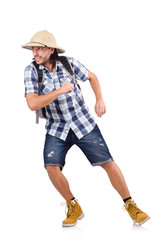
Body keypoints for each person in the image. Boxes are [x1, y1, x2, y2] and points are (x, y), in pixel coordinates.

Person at [22, 30, 150, 227]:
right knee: (51, 167)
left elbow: (92, 77)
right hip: (57, 128)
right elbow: (32, 104)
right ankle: (73, 205)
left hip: (84, 124)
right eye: (33, 49)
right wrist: (60, 90)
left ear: (51, 49)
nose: (35, 53)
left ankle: (131, 205)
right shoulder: (31, 71)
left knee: (108, 163)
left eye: (39, 48)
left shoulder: (69, 63)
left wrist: (99, 100)